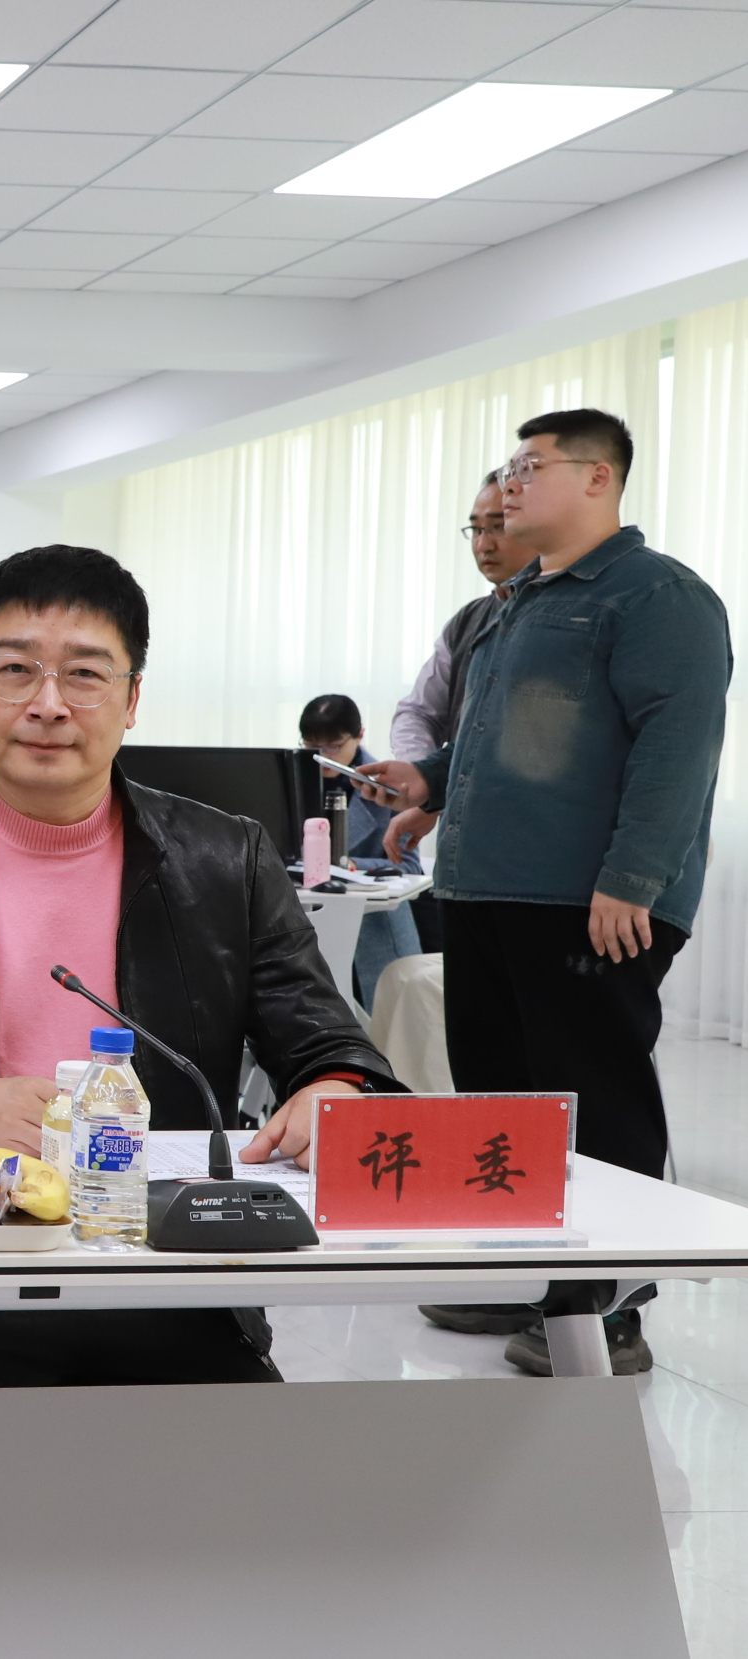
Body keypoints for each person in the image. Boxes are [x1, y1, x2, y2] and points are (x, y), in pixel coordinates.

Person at [0, 545, 398, 1389]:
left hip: (168, 1260)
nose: (47, 704)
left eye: (84, 674)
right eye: (14, 669)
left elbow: (326, 1040)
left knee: (238, 1456)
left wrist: (332, 1087)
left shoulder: (224, 857)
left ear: (131, 700)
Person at [360, 409, 731, 1376]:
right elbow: (502, 732)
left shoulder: (656, 596)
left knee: (593, 1098)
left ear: (598, 477)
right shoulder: (517, 600)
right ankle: (525, 1274)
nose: (511, 482)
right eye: (509, 465)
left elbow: (677, 748)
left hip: (584, 899)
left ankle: (608, 1303)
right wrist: (425, 783)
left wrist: (631, 877)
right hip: (486, 887)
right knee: (499, 1098)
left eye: (531, 465)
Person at [386, 472, 540, 952]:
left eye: (498, 525)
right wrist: (424, 781)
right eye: (476, 528)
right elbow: (417, 713)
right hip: (470, 850)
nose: (483, 543)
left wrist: (433, 789)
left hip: (538, 856)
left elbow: (515, 741)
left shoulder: (559, 617)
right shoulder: (470, 619)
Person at [296, 693, 420, 1012]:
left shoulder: (391, 788)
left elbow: (409, 865)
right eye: (311, 746)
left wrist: (349, 864)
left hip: (375, 924)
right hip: (310, 922)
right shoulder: (292, 779)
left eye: (333, 746)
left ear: (359, 734)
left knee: (389, 1020)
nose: (322, 756)